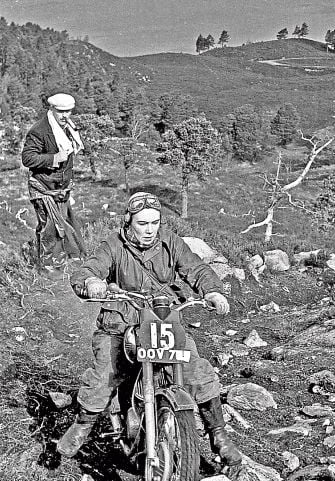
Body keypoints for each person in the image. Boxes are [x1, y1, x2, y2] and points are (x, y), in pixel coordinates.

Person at [56, 191, 242, 466]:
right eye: (142, 223)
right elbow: (88, 270)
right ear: (129, 221)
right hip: (122, 321)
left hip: (162, 320)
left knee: (196, 368)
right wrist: (93, 282)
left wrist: (213, 292)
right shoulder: (113, 245)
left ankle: (219, 434)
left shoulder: (171, 242)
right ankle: (82, 426)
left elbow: (197, 268)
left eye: (154, 222)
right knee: (106, 371)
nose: (149, 229)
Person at [21, 93, 85, 270]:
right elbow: (27, 158)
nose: (65, 115)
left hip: (60, 189)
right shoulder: (40, 130)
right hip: (44, 189)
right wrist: (54, 158)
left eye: (68, 111)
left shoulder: (67, 128)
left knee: (62, 225)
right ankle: (48, 270)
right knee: (49, 228)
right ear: (51, 109)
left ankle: (62, 263)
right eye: (61, 112)